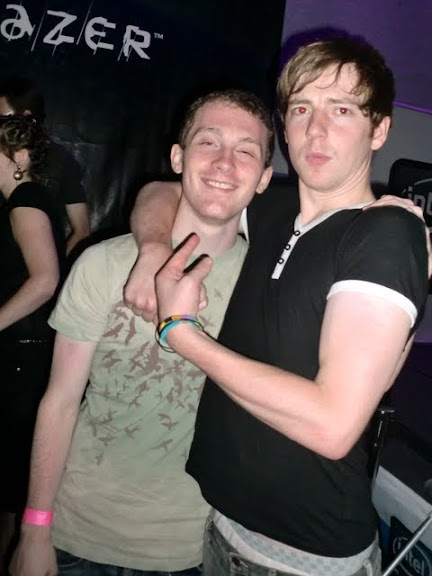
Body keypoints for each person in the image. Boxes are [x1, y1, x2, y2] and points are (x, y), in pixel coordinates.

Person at [124, 37, 430, 576]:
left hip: (302, 558)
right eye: (301, 109)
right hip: (221, 527)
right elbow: (168, 190)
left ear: (379, 129)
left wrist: (181, 332)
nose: (317, 130)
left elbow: (333, 425)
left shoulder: (384, 232)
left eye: (341, 110)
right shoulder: (274, 209)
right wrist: (152, 248)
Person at [10, 89, 274, 576]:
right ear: (177, 157)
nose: (224, 162)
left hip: (194, 546)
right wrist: (34, 529)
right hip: (77, 535)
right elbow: (60, 402)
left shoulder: (268, 285)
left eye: (246, 151)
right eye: (208, 142)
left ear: (264, 178)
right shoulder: (104, 265)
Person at [0, 115, 65, 574]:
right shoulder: (22, 200)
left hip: (22, 353)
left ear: (19, 157)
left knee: (10, 481)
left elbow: (45, 280)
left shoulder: (25, 200)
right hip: (21, 350)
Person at [0, 76, 91, 254]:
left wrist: (57, 266)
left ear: (26, 116)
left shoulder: (61, 161)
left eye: (3, 118)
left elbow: (82, 230)